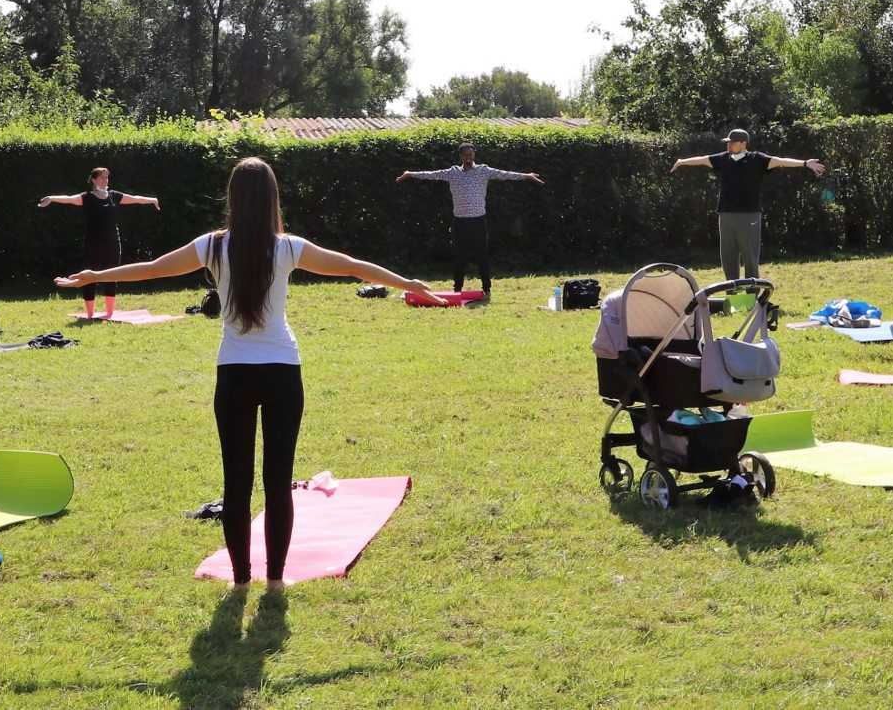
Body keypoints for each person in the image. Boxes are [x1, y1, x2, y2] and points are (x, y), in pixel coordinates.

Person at [55, 157, 442, 591]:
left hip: (234, 373)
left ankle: (241, 582)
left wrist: (95, 275)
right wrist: (407, 282)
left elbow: (150, 269)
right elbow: (352, 264)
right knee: (278, 484)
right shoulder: (289, 247)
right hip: (282, 373)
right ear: (273, 197)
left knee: (236, 484)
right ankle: (275, 582)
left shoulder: (212, 245)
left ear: (233, 198)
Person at [670, 128, 826, 280]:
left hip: (749, 215)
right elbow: (702, 159)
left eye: (732, 142)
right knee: (728, 256)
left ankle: (751, 292)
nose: (728, 145)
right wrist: (682, 161)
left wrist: (805, 163)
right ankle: (732, 290)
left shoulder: (757, 159)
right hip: (726, 215)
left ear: (743, 143)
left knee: (750, 256)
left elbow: (780, 161)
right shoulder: (722, 159)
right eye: (728, 142)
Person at [396, 143, 543, 301]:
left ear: (474, 155)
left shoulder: (483, 171)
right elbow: (431, 174)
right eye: (466, 155)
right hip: (460, 223)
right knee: (460, 257)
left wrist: (526, 176)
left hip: (478, 222)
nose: (469, 158)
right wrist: (410, 173)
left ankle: (486, 289)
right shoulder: (452, 172)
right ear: (461, 156)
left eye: (471, 155)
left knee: (482, 257)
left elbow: (505, 174)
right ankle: (457, 289)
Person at [38, 167, 160, 318]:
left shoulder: (114, 196)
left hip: (113, 243)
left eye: (106, 178)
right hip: (93, 243)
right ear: (94, 180)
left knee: (112, 274)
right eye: (101, 178)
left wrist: (152, 200)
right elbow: (69, 198)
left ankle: (109, 314)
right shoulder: (87, 197)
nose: (105, 180)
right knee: (89, 277)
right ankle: (90, 314)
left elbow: (135, 198)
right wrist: (51, 198)